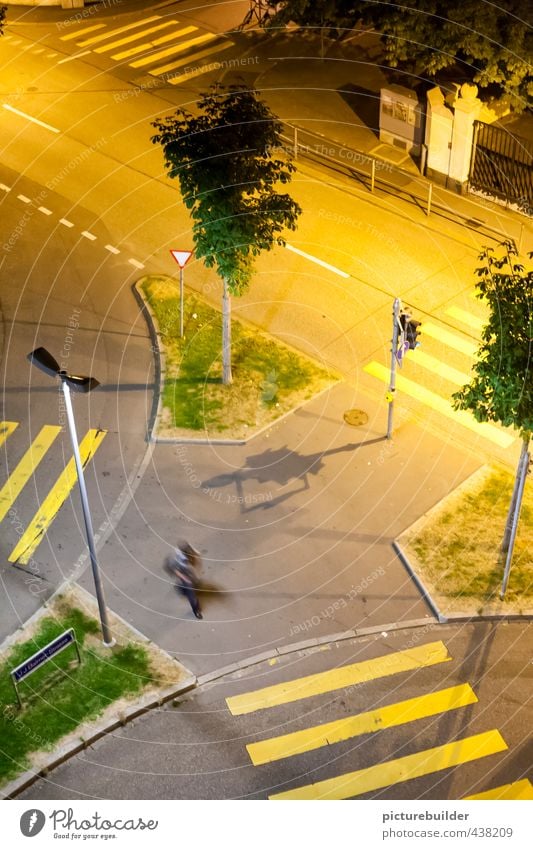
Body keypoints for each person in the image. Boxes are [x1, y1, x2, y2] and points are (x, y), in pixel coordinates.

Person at [165, 542, 203, 619]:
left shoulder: (187, 550)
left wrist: (196, 554)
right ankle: (196, 610)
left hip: (189, 573)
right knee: (191, 596)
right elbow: (174, 570)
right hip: (184, 574)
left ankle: (181, 588)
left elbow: (194, 553)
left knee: (193, 584)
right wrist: (184, 578)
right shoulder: (177, 558)